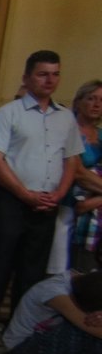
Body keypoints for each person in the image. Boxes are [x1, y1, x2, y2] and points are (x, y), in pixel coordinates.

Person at [0, 50, 83, 323]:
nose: (50, 80)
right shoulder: (9, 113)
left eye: (55, 74)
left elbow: (71, 160)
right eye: (43, 74)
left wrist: (59, 193)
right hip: (10, 200)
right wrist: (24, 194)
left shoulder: (66, 118)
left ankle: (20, 328)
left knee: (33, 271)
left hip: (46, 203)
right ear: (27, 77)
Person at [4, 270, 102, 354]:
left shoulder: (84, 282)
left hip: (48, 349)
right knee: (87, 329)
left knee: (94, 328)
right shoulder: (54, 292)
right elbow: (91, 328)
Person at [69, 80, 102, 273]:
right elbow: (77, 172)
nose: (97, 104)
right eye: (91, 98)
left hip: (95, 208)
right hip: (69, 205)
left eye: (101, 100)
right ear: (79, 101)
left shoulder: (101, 135)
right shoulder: (69, 130)